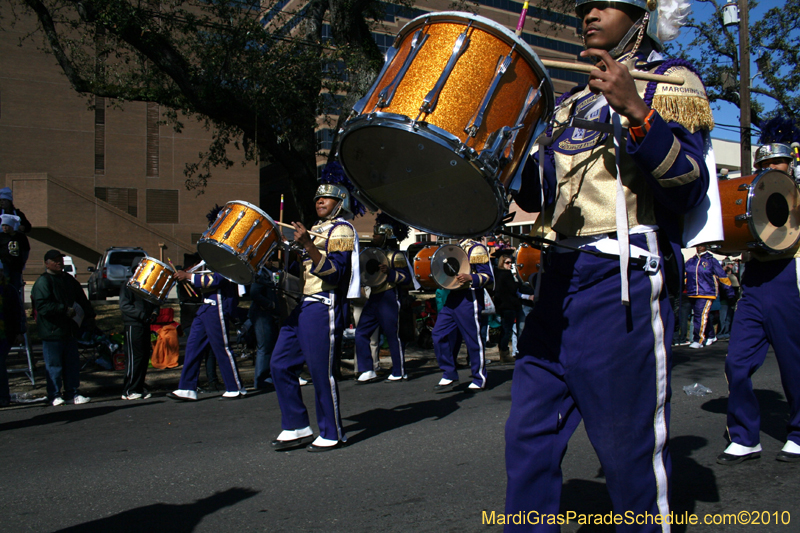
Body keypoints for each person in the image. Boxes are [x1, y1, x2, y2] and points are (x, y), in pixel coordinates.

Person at [504, 0, 715, 528]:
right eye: (585, 7)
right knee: (528, 435)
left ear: (640, 15)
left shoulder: (669, 80)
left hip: (620, 279)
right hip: (557, 277)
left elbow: (690, 186)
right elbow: (536, 195)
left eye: (606, 4)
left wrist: (638, 112)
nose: (590, 13)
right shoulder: (567, 101)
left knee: (626, 451)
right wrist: (505, 141)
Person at [718, 143, 800, 465]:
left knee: (794, 362)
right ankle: (744, 436)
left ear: (790, 165)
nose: (773, 167)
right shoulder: (752, 192)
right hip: (753, 279)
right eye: (766, 162)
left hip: (787, 276)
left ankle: (798, 432)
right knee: (736, 362)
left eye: (779, 162)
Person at [270, 162, 361, 452]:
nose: (319, 200)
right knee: (280, 363)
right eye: (318, 197)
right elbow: (305, 271)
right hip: (305, 305)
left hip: (325, 305)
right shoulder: (316, 230)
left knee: (322, 371)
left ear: (341, 201)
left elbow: (335, 274)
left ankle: (332, 432)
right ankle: (296, 425)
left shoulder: (342, 230)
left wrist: (308, 246)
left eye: (328, 196)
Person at [168, 207, 246, 401]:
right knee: (193, 345)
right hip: (206, 304)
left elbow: (218, 279)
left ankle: (236, 387)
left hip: (219, 302)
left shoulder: (229, 248)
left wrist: (189, 276)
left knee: (222, 346)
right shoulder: (214, 250)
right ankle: (187, 387)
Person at [31, 249, 96, 406]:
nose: (59, 262)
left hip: (69, 330)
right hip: (52, 331)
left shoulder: (68, 280)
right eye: (54, 260)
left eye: (60, 259)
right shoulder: (43, 282)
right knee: (54, 365)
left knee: (72, 364)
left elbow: (82, 299)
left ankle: (72, 392)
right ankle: (54, 394)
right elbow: (42, 306)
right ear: (46, 263)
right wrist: (63, 309)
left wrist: (89, 315)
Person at [355, 214, 411, 383]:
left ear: (386, 235)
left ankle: (399, 370)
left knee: (392, 335)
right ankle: (367, 369)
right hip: (374, 297)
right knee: (360, 332)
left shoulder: (396, 256)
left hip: (389, 297)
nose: (373, 237)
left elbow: (406, 278)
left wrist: (390, 273)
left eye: (376, 234)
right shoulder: (372, 254)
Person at [431, 238, 493, 391]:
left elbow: (488, 277)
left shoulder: (476, 248)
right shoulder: (454, 247)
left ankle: (479, 377)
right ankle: (449, 372)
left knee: (473, 339)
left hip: (469, 297)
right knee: (438, 334)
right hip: (452, 297)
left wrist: (471, 277)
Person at [119, 256, 159, 400]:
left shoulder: (147, 284)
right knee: (134, 358)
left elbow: (155, 301)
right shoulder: (129, 284)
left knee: (142, 357)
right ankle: (129, 389)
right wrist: (141, 315)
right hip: (133, 325)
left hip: (145, 324)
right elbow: (124, 306)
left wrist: (154, 312)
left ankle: (138, 386)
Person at [684, 245, 735, 348]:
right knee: (702, 316)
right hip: (692, 292)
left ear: (706, 247)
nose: (699, 248)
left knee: (700, 315)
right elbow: (685, 275)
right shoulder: (691, 261)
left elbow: (722, 277)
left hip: (706, 293)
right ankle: (711, 335)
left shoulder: (711, 261)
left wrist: (730, 293)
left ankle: (698, 340)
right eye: (698, 246)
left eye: (702, 246)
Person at [250, 265, 280, 390]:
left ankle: (266, 378)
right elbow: (254, 293)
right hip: (261, 314)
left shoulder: (271, 271)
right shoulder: (261, 273)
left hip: (268, 314)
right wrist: (270, 304)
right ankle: (260, 380)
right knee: (264, 347)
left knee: (269, 346)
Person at [492, 249, 521, 363]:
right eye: (507, 262)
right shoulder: (506, 274)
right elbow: (513, 289)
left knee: (505, 330)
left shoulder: (497, 273)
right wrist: (517, 281)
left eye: (511, 262)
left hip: (502, 305)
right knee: (507, 330)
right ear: (502, 263)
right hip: (509, 305)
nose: (510, 265)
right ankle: (504, 353)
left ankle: (503, 352)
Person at [0, 265, 24, 408]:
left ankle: (3, 396)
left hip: (5, 335)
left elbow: (18, 312)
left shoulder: (9, 290)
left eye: (1, 271)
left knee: (0, 365)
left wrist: (20, 331)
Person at [0, 214, 30, 298]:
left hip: (16, 266)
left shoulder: (20, 237)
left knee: (15, 286)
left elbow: (25, 250)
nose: (4, 228)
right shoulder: (1, 237)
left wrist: (23, 262)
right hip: (4, 265)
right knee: (5, 285)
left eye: (6, 225)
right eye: (3, 226)